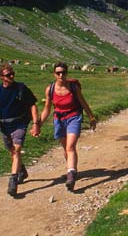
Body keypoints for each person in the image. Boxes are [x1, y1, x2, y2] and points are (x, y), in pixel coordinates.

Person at [0, 63, 40, 197]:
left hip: (20, 123)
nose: (12, 76)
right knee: (12, 151)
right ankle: (21, 170)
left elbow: (33, 105)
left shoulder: (21, 88)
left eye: (13, 73)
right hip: (4, 126)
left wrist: (36, 123)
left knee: (17, 149)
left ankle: (13, 180)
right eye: (8, 75)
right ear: (1, 77)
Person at [40, 62, 96, 191]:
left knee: (70, 146)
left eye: (63, 72)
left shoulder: (73, 87)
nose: (61, 75)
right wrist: (38, 124)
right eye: (58, 73)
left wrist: (91, 117)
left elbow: (83, 102)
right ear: (54, 74)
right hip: (59, 119)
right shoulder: (51, 89)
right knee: (66, 148)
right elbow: (47, 109)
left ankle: (71, 174)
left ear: (67, 73)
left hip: (74, 117)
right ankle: (71, 168)